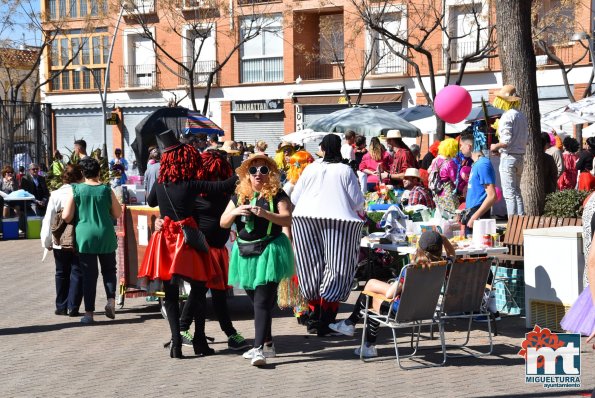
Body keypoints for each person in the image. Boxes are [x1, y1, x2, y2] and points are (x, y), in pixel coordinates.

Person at [139, 130, 238, 358]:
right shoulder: (190, 184)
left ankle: (176, 343)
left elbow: (151, 201)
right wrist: (239, 174)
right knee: (200, 286)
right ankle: (199, 342)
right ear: (184, 160)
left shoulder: (161, 184)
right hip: (187, 240)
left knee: (171, 294)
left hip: (165, 240)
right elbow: (220, 186)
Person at [154, 150, 249, 351]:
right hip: (201, 247)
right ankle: (187, 331)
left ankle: (202, 336)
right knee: (201, 292)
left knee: (217, 294)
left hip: (217, 248)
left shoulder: (222, 193)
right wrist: (160, 220)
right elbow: (169, 207)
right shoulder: (193, 191)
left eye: (218, 173)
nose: (214, 178)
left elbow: (229, 192)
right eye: (211, 174)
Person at [328, 231, 455, 357]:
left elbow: (390, 294)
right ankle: (353, 328)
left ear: (420, 248)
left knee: (370, 295)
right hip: (426, 310)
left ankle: (361, 336)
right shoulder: (444, 266)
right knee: (372, 287)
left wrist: (395, 282)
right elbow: (452, 254)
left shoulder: (411, 269)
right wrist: (443, 238)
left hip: (401, 311)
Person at [220, 154, 294, 366]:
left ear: (270, 174)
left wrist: (264, 213)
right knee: (257, 301)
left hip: (269, 251)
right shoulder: (239, 196)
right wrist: (235, 211)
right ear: (247, 175)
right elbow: (223, 223)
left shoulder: (278, 194)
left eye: (263, 170)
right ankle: (269, 343)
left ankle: (258, 348)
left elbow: (287, 218)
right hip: (245, 252)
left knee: (261, 302)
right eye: (253, 171)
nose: (258, 174)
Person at [291, 134, 365, 337]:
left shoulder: (311, 167)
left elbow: (294, 197)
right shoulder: (345, 170)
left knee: (310, 266)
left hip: (304, 219)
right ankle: (326, 317)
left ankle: (314, 316)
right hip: (339, 221)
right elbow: (358, 202)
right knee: (337, 267)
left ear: (322, 149)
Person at [62, 157, 122, 325]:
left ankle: (89, 314)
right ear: (99, 172)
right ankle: (111, 301)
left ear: (82, 173)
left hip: (84, 236)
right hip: (105, 234)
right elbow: (117, 214)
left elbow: (66, 216)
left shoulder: (76, 190)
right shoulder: (106, 189)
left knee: (89, 275)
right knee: (109, 270)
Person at [41, 164, 84, 317]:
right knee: (77, 272)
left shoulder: (56, 194)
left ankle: (61, 306)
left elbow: (49, 219)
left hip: (59, 240)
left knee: (61, 273)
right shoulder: (81, 192)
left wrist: (46, 241)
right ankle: (73, 307)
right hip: (78, 239)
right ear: (80, 176)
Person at [490, 85, 528, 216]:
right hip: (520, 157)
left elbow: (506, 141)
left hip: (509, 157)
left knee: (509, 193)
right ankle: (521, 220)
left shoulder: (507, 116)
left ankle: (512, 223)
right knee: (517, 191)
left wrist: (495, 146)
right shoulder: (521, 116)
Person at [460, 131, 497, 235]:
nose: (460, 148)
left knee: (477, 250)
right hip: (473, 213)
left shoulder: (482, 164)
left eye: (461, 145)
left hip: (478, 216)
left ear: (469, 146)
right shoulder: (476, 164)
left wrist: (474, 217)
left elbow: (492, 196)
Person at [428, 138, 459, 215]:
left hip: (437, 192)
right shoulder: (450, 163)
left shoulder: (436, 160)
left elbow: (429, 171)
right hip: (448, 193)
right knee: (452, 216)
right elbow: (455, 180)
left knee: (442, 216)